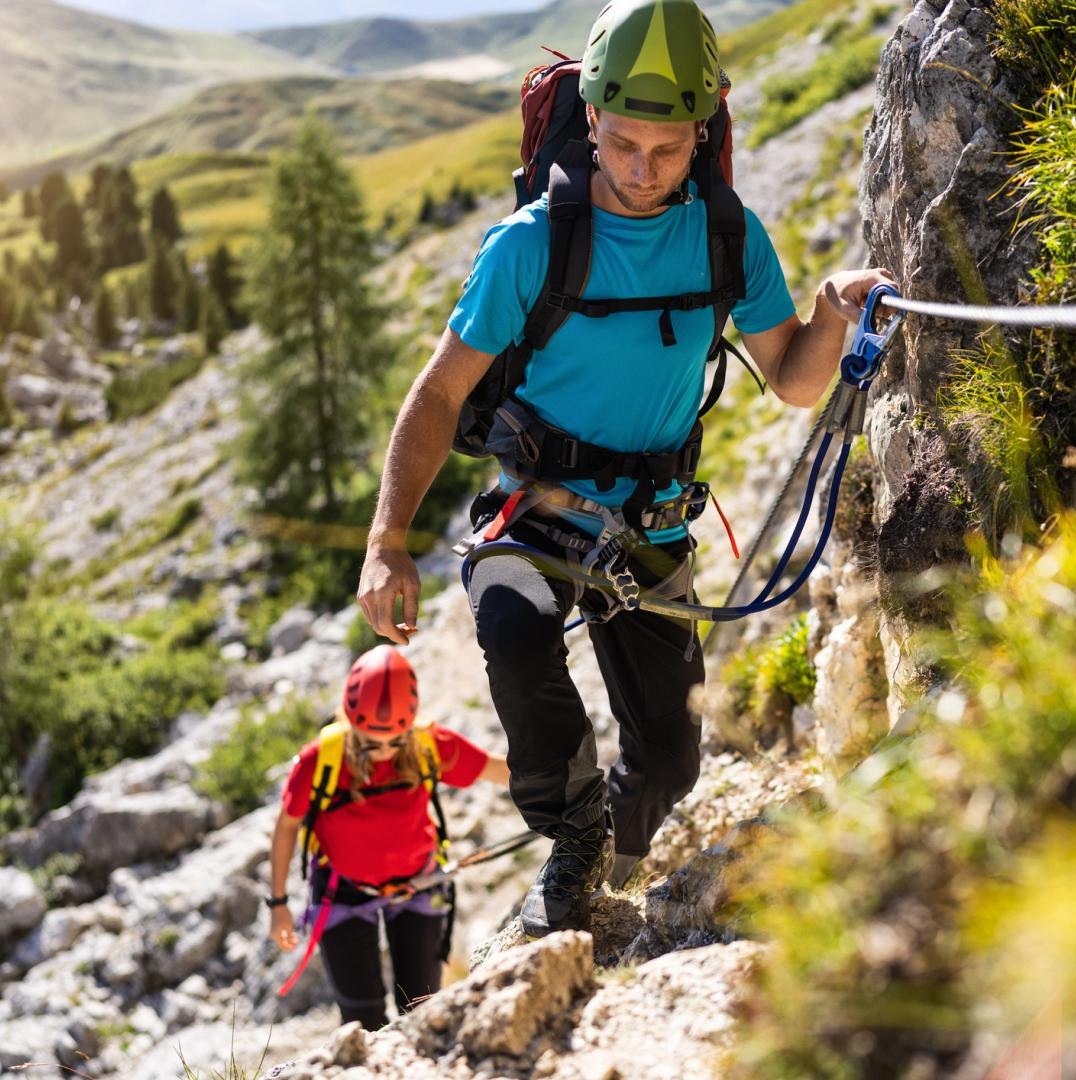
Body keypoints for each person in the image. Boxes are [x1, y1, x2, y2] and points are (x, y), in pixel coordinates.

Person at [357, 0, 894, 939]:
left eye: (670, 151)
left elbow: (794, 381)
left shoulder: (729, 238)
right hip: (538, 510)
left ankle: (620, 859)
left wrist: (833, 311)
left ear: (707, 129)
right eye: (622, 146)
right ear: (592, 119)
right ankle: (572, 842)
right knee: (516, 638)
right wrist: (386, 539)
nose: (642, 173)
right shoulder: (530, 244)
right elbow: (439, 395)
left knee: (674, 759)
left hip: (651, 523)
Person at [267, 645, 509, 1030]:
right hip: (342, 890)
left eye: (395, 742)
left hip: (417, 883)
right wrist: (277, 902)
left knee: (424, 1012)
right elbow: (287, 827)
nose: (382, 753)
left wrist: (572, 792)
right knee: (361, 1020)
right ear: (348, 720)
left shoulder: (429, 743)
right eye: (369, 742)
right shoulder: (319, 760)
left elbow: (502, 771)